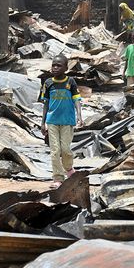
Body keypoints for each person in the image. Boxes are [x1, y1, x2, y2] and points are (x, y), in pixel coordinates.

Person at [40, 55, 83, 189]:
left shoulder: (70, 82)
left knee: (65, 149)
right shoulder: (48, 83)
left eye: (59, 65)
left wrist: (79, 116)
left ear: (66, 68)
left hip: (67, 121)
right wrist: (43, 123)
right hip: (52, 121)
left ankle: (69, 169)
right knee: (55, 151)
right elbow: (46, 104)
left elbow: (76, 100)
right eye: (53, 65)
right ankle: (58, 178)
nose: (55, 68)